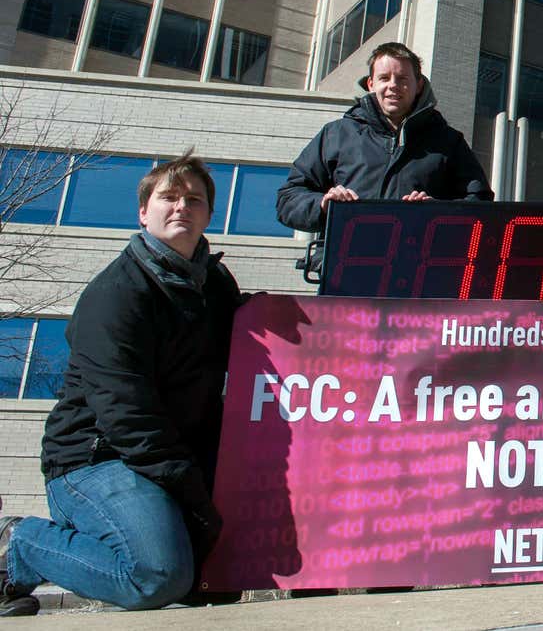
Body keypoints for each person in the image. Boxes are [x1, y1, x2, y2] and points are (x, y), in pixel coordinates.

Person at [0, 153, 243, 613]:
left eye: (194, 200)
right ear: (143, 212)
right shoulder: (118, 294)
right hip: (95, 459)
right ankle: (20, 545)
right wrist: (192, 493)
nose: (181, 208)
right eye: (168, 197)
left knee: (213, 579)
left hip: (166, 457)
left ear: (209, 215)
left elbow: (247, 339)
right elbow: (126, 415)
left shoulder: (213, 284)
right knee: (156, 576)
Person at [277, 42, 492, 235]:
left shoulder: (449, 142)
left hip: (419, 269)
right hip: (344, 270)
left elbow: (480, 205)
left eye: (402, 79)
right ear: (371, 84)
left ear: (418, 85)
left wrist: (436, 213)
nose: (393, 85)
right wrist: (323, 204)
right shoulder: (336, 135)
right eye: (384, 78)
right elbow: (288, 198)